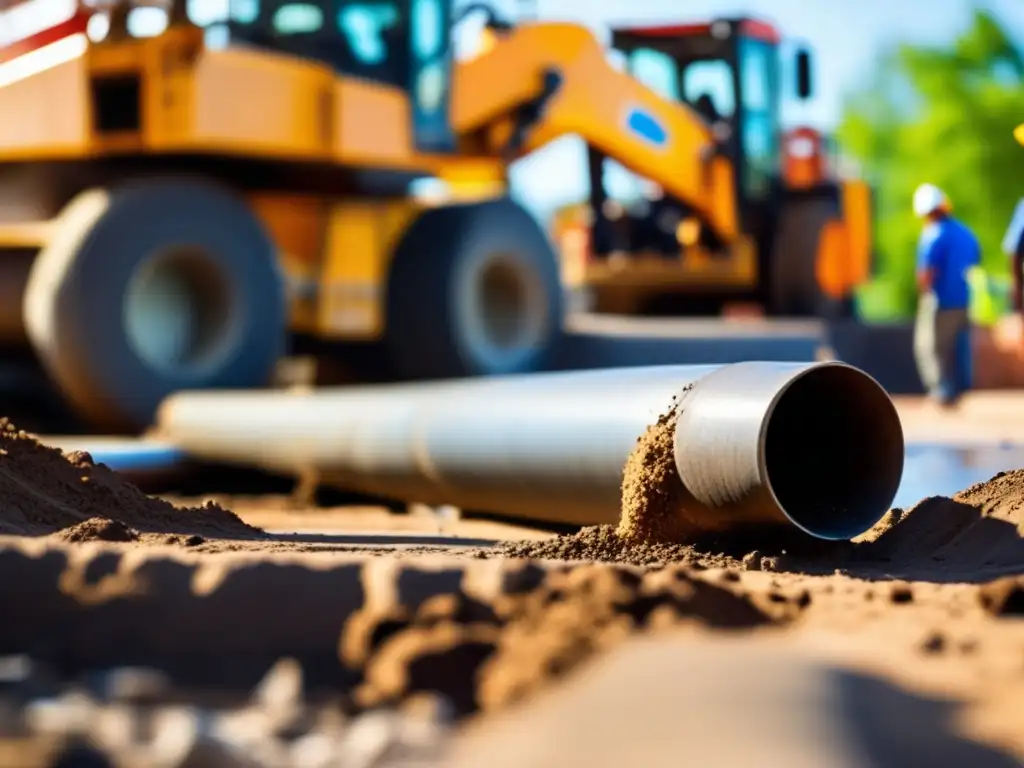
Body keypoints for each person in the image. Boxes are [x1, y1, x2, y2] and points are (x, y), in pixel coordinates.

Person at [912, 183, 981, 407]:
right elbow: (975, 261)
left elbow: (927, 272)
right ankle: (959, 389)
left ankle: (941, 391)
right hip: (963, 299)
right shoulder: (965, 232)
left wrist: (923, 295)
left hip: (939, 300)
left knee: (930, 346)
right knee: (957, 347)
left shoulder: (933, 234)